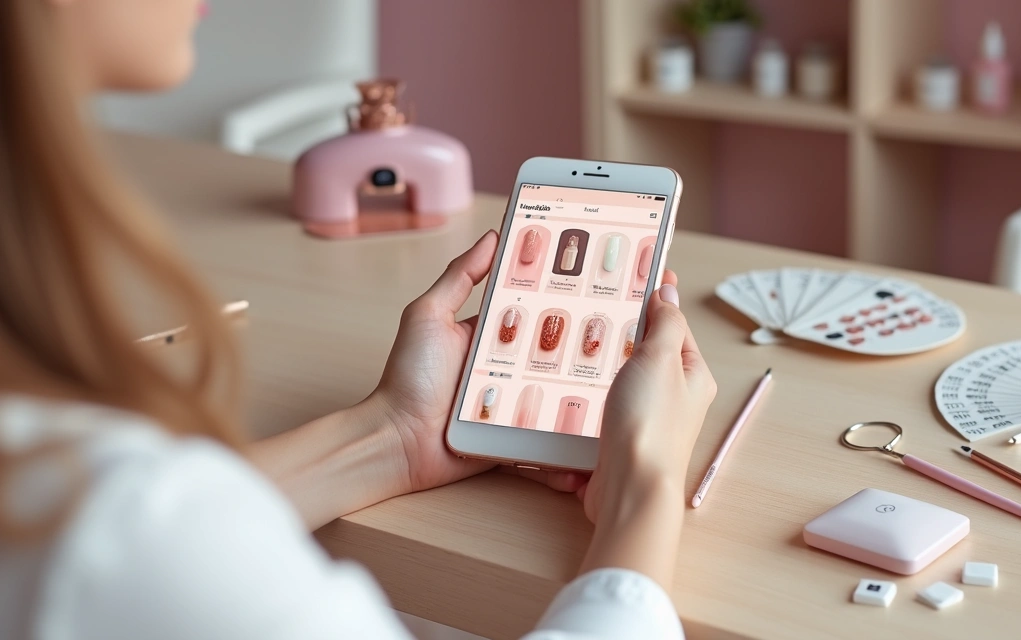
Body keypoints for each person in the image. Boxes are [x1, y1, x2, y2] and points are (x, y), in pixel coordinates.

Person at [0, 1, 718, 639]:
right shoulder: (116, 529)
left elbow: (151, 538)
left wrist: (394, 435)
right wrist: (644, 489)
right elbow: (147, 541)